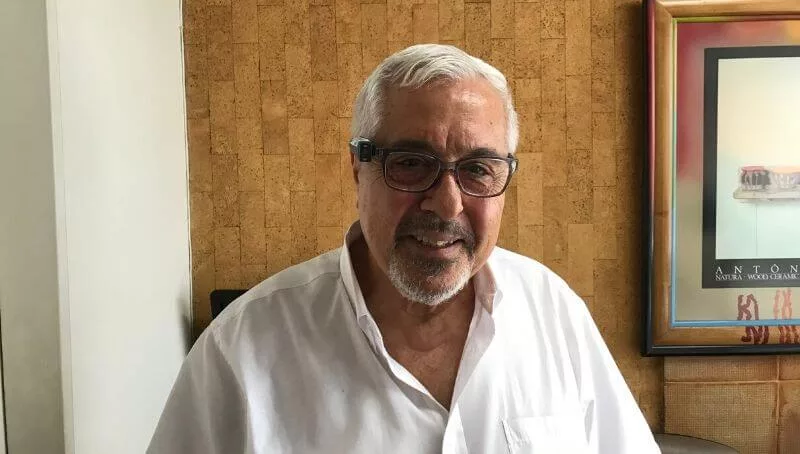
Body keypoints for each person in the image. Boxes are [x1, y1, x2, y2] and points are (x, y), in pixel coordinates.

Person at [148, 44, 660, 453]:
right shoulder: (240, 350)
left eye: (478, 169)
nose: (447, 204)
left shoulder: (553, 312)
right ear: (358, 168)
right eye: (412, 163)